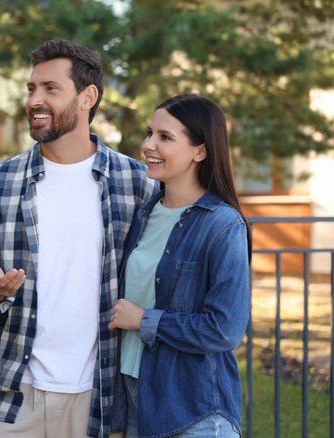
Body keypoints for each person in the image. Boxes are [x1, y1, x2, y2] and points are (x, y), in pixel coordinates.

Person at [0, 39, 158, 438]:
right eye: (32, 88)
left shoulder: (136, 182)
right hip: (13, 390)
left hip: (100, 394)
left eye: (51, 88)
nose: (35, 100)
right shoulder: (0, 182)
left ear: (88, 97)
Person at [108, 94, 251, 437]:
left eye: (165, 137)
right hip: (135, 399)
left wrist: (144, 320)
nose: (148, 145)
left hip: (193, 409)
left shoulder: (223, 225)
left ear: (199, 151)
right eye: (149, 133)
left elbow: (224, 330)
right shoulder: (144, 214)